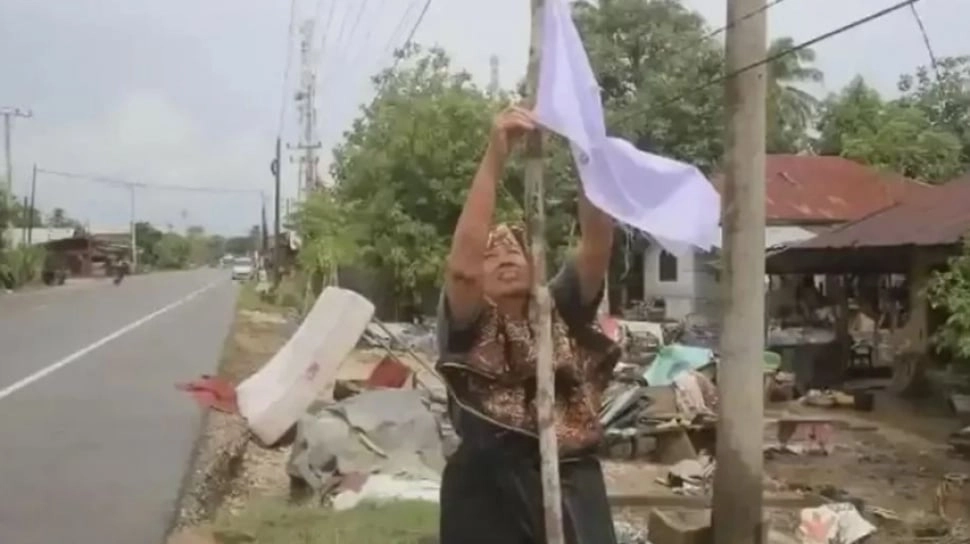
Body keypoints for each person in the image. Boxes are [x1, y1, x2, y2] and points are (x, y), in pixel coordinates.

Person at [437, 106, 620, 544]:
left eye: (513, 252)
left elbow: (597, 245)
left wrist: (585, 154)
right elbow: (462, 270)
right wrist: (495, 156)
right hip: (489, 486)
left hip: (572, 479)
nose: (502, 258)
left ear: (536, 262)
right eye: (490, 254)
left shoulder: (559, 307)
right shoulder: (468, 319)